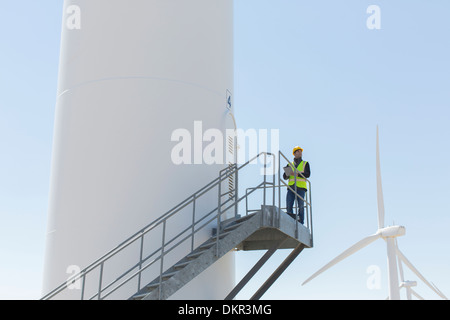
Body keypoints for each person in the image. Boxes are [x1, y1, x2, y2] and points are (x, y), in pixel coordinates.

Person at [283, 146, 311, 224]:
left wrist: (297, 174)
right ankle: (290, 221)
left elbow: (307, 174)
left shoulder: (305, 163)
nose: (300, 153)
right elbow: (284, 177)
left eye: (301, 151)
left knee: (301, 207)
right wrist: (287, 173)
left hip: (301, 188)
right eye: (298, 151)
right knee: (289, 206)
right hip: (291, 187)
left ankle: (300, 222)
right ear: (294, 153)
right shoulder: (289, 164)